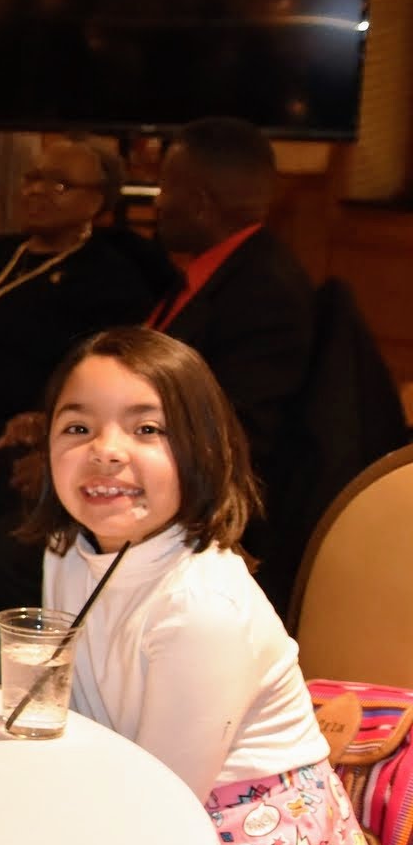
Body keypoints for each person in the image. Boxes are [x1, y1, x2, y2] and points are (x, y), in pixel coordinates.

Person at [24, 326, 411, 845]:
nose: (106, 451)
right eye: (78, 425)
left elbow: (161, 814)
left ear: (201, 449)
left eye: (147, 428)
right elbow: (79, 720)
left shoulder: (202, 606)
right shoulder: (70, 552)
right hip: (142, 800)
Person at [0, 136, 162, 678]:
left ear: (97, 202)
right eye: (33, 178)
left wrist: (50, 427)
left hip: (28, 436)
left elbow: (100, 373)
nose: (38, 192)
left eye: (60, 184)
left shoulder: (110, 277)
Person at [150, 116, 318, 615]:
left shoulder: (264, 291)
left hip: (201, 505)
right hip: (159, 468)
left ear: (200, 203)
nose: (157, 202)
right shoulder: (215, 270)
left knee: (8, 546)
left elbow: (234, 433)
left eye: (165, 188)